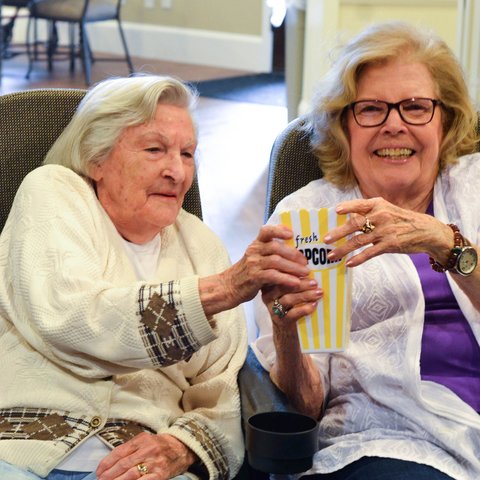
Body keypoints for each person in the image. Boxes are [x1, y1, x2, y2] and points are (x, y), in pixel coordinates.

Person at [0, 75, 309, 480]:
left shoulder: (202, 244)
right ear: (97, 158)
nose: (177, 172)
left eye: (187, 153)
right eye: (154, 149)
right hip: (22, 453)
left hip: (146, 464)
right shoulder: (53, 193)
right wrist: (224, 289)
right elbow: (73, 318)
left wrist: (180, 447)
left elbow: (225, 387)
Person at [253, 21, 480, 480]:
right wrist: (285, 332)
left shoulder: (476, 186)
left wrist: (447, 243)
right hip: (391, 440)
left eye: (416, 107)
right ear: (344, 126)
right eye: (372, 109)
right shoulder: (306, 220)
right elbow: (305, 406)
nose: (395, 125)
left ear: (446, 119)